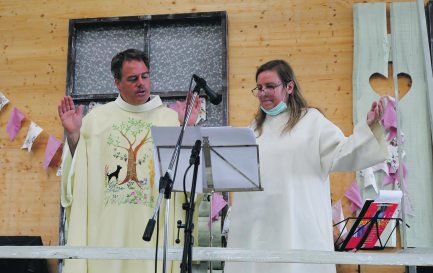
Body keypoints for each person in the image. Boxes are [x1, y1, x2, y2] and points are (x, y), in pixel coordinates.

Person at [224, 59, 388, 273]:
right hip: (258, 228)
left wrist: (368, 127)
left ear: (289, 87)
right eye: (259, 88)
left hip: (298, 226)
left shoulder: (312, 121)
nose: (263, 93)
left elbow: (343, 152)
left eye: (270, 87)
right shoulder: (254, 129)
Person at [58, 48, 199, 273]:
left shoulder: (171, 119)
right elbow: (79, 172)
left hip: (155, 230)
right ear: (117, 82)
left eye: (145, 76)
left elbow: (190, 179)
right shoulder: (96, 120)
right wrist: (74, 136)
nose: (141, 83)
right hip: (107, 230)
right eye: (132, 79)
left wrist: (188, 129)